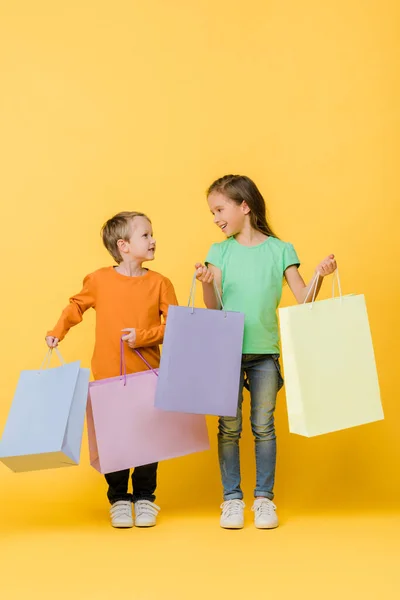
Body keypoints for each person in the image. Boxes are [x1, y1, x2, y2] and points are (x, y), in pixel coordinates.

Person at [195, 175, 337, 529]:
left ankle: (263, 500)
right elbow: (213, 310)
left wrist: (319, 274)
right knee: (228, 428)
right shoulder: (219, 251)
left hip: (265, 354)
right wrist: (207, 285)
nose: (215, 218)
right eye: (212, 211)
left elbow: (304, 300)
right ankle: (231, 500)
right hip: (226, 352)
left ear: (244, 206)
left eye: (219, 209)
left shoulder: (281, 250)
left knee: (263, 427)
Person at [46, 211, 177, 528]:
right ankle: (119, 499)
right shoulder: (99, 280)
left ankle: (145, 497)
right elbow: (76, 305)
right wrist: (57, 331)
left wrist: (142, 337)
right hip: (107, 377)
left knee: (148, 438)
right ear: (124, 245)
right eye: (145, 235)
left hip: (148, 375)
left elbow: (176, 324)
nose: (153, 239)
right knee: (114, 440)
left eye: (151, 233)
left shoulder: (160, 283)